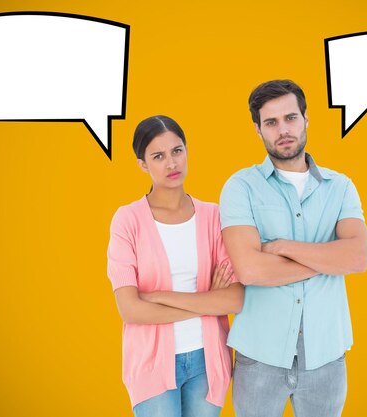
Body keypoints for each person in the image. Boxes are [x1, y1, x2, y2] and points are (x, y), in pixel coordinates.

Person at [219, 80, 367, 417]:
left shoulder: (340, 187)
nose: (282, 130)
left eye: (290, 118)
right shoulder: (241, 187)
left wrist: (283, 247)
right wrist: (328, 259)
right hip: (260, 357)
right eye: (271, 123)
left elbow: (357, 257)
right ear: (258, 130)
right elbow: (250, 270)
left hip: (326, 356)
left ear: (306, 119)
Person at [107, 115, 244, 417]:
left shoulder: (213, 216)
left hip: (208, 361)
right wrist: (208, 303)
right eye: (158, 156)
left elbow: (234, 299)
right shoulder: (127, 220)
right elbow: (130, 310)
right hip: (151, 364)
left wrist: (160, 297)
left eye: (177, 151)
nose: (171, 163)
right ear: (143, 164)